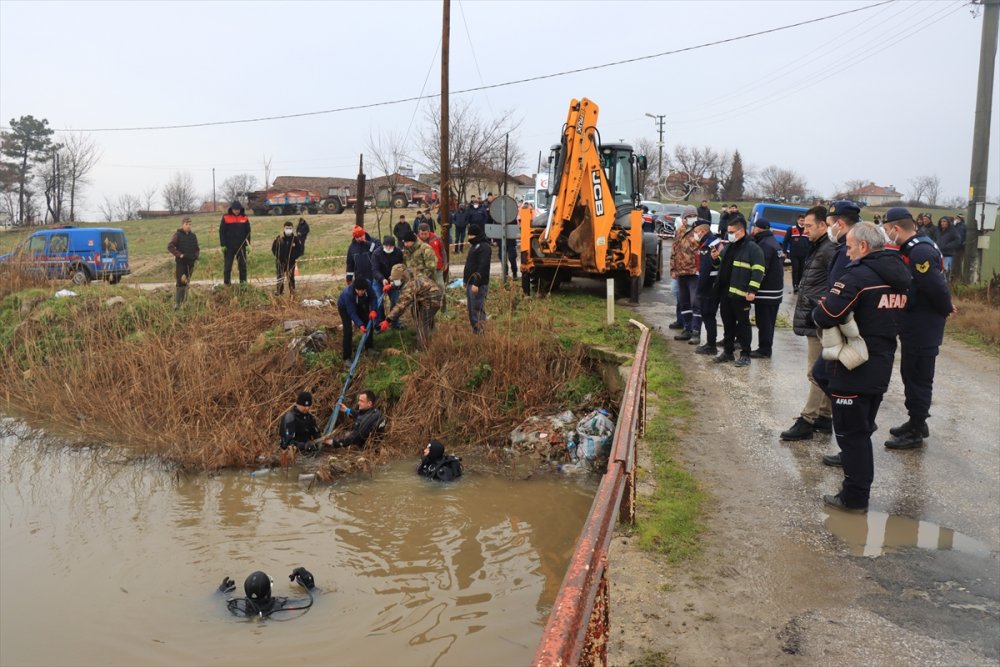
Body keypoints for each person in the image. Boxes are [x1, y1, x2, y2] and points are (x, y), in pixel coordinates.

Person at [812, 222, 911, 511]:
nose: (849, 251)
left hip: (853, 364)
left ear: (864, 247)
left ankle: (854, 497)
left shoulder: (858, 276)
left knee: (851, 436)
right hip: (882, 360)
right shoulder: (901, 274)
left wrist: (823, 307)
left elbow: (826, 314)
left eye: (851, 246)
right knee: (860, 429)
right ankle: (855, 491)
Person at [881, 207, 955, 450]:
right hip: (917, 321)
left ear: (895, 228)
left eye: (886, 229)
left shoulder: (919, 250)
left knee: (918, 376)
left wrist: (945, 308)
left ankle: (916, 429)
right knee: (911, 373)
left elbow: (936, 287)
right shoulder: (919, 244)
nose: (885, 233)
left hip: (923, 323)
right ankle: (916, 421)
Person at [780, 205, 836, 441]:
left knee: (815, 371)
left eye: (809, 226)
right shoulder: (819, 247)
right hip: (817, 315)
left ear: (823, 225)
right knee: (823, 370)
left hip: (820, 317)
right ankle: (824, 416)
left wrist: (819, 307)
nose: (805, 231)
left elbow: (834, 284)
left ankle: (808, 418)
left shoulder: (828, 250)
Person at [712, 214, 764, 367]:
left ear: (741, 231)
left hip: (741, 295)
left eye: (732, 232)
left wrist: (752, 290)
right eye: (728, 231)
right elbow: (720, 266)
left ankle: (745, 354)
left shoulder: (753, 249)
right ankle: (728, 352)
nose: (729, 234)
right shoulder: (729, 247)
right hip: (725, 293)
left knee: (743, 325)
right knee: (728, 325)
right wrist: (715, 258)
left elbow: (759, 270)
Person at [379, 264, 442, 348]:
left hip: (432, 299)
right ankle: (428, 334)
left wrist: (388, 320)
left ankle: (422, 348)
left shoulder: (409, 285)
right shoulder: (409, 274)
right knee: (415, 311)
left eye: (396, 280)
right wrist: (391, 286)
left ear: (401, 277)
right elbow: (400, 282)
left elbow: (401, 306)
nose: (394, 281)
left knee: (422, 322)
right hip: (425, 296)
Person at [219, 567, 315, 619]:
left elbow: (213, 603)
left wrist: (220, 592)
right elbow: (315, 602)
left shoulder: (237, 606)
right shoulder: (281, 606)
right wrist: (310, 586)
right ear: (269, 591)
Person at [749, 219, 784, 358]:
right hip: (775, 290)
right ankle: (765, 347)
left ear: (758, 229)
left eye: (754, 227)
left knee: (764, 322)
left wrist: (752, 287)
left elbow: (761, 269)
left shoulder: (764, 245)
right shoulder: (774, 242)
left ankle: (764, 349)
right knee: (768, 321)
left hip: (766, 291)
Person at [670, 206, 702, 343]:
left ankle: (696, 332)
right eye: (689, 215)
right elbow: (674, 251)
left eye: (694, 215)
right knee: (684, 302)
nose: (692, 218)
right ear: (684, 218)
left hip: (694, 273)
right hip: (681, 273)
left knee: (696, 302)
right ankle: (687, 329)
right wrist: (673, 269)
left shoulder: (699, 231)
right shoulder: (680, 231)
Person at [693, 221, 720, 355]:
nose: (695, 235)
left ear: (702, 232)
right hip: (713, 285)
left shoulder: (708, 245)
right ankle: (711, 343)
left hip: (709, 286)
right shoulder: (712, 242)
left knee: (708, 315)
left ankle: (711, 345)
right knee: (709, 316)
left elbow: (705, 269)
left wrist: (699, 290)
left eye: (696, 232)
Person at [336, 278, 376, 361]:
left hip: (358, 303)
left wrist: (373, 310)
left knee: (369, 322)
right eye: (359, 290)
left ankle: (369, 348)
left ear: (365, 288)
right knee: (348, 331)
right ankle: (346, 357)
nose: (361, 292)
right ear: (355, 288)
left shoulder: (368, 284)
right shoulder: (348, 293)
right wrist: (360, 324)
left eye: (363, 290)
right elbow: (352, 312)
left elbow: (373, 298)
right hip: (344, 307)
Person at [464, 223, 491, 333]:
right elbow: (469, 264)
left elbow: (482, 267)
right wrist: (466, 280)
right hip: (470, 283)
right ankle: (475, 330)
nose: (469, 237)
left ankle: (481, 331)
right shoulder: (474, 246)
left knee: (477, 308)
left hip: (478, 284)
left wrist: (476, 283)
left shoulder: (484, 247)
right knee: (471, 309)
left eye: (471, 235)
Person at [167, 216, 199, 309]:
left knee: (187, 282)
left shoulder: (193, 236)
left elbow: (197, 248)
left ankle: (185, 303)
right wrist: (179, 254)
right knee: (180, 282)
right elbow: (170, 246)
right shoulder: (177, 235)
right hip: (181, 263)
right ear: (182, 225)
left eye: (190, 224)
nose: (188, 226)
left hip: (191, 262)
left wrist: (196, 256)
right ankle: (177, 304)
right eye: (186, 224)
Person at [371, 235, 404, 323]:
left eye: (391, 246)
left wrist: (394, 277)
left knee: (395, 300)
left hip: (394, 280)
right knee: (378, 301)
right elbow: (374, 269)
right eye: (386, 245)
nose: (388, 247)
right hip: (379, 280)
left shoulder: (398, 253)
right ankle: (379, 322)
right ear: (383, 245)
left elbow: (401, 267)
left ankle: (394, 322)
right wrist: (382, 279)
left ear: (394, 245)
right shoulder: (376, 254)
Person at [219, 199, 251, 285]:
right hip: (229, 247)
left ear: (240, 209)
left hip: (241, 246)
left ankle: (243, 284)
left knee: (243, 266)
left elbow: (248, 232)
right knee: (227, 266)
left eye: (238, 209)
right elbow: (221, 232)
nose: (237, 211)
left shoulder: (244, 217)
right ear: (232, 209)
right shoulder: (226, 217)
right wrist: (222, 244)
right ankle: (227, 284)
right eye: (235, 209)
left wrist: (248, 244)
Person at [271, 221, 304, 295]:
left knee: (291, 279)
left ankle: (292, 293)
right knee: (280, 278)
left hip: (291, 262)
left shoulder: (295, 239)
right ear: (284, 228)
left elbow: (299, 250)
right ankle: (279, 292)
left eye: (290, 228)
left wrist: (293, 257)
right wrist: (279, 256)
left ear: (292, 228)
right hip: (280, 262)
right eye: (287, 228)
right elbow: (274, 249)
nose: (288, 229)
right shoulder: (279, 238)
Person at [783, 214, 811, 292]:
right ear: (798, 220)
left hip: (804, 254)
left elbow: (811, 242)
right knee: (795, 269)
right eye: (801, 220)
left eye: (804, 220)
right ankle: (795, 285)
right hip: (794, 254)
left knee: (801, 270)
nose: (802, 222)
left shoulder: (807, 229)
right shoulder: (791, 229)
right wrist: (784, 251)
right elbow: (785, 241)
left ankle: (798, 284)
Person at [417, 222, 446, 296]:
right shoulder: (416, 242)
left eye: (425, 234)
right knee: (426, 287)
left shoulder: (436, 239)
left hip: (437, 267)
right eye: (421, 234)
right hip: (423, 269)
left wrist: (445, 262)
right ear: (419, 232)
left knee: (440, 284)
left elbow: (442, 250)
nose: (423, 236)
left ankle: (442, 302)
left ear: (429, 232)